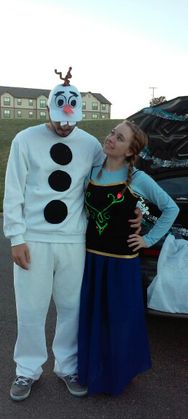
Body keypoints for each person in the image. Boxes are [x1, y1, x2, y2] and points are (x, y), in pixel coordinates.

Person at [3, 68, 142, 401]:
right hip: (33, 239)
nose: (66, 126)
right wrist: (16, 237)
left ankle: (67, 366)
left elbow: (112, 178)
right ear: (48, 111)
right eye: (60, 120)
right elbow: (14, 191)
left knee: (71, 308)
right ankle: (27, 370)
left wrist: (135, 213)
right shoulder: (25, 139)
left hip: (74, 241)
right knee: (31, 308)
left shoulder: (90, 144)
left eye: (71, 121)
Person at [77, 120, 179, 396]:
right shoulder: (92, 172)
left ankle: (119, 374)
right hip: (92, 259)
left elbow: (170, 209)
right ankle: (92, 369)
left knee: (120, 320)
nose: (111, 138)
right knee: (93, 317)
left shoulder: (139, 180)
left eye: (119, 138)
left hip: (122, 261)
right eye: (112, 133)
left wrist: (147, 238)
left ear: (130, 152)